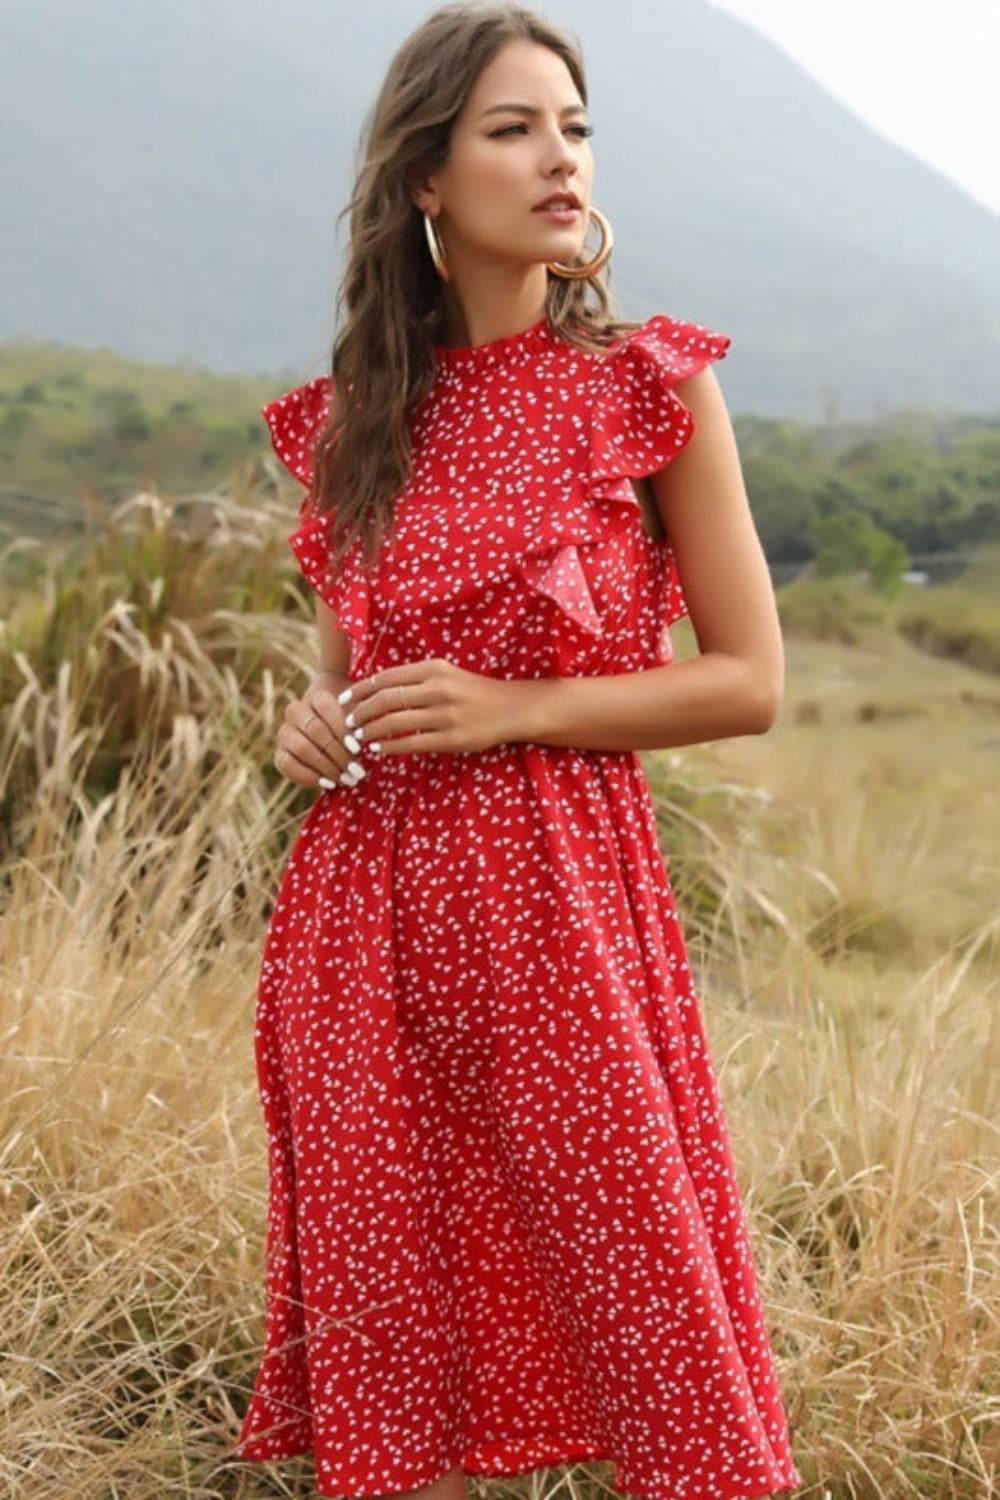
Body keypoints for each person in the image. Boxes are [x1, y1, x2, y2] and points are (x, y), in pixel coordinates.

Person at [235, 5, 803, 1500]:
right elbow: (339, 691)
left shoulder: (648, 386)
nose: (561, 159)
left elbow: (748, 682)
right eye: (513, 129)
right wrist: (309, 728)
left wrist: (520, 710)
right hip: (361, 930)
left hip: (563, 910)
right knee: (390, 1330)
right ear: (426, 178)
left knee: (655, 1326)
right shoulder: (360, 420)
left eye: (576, 125)